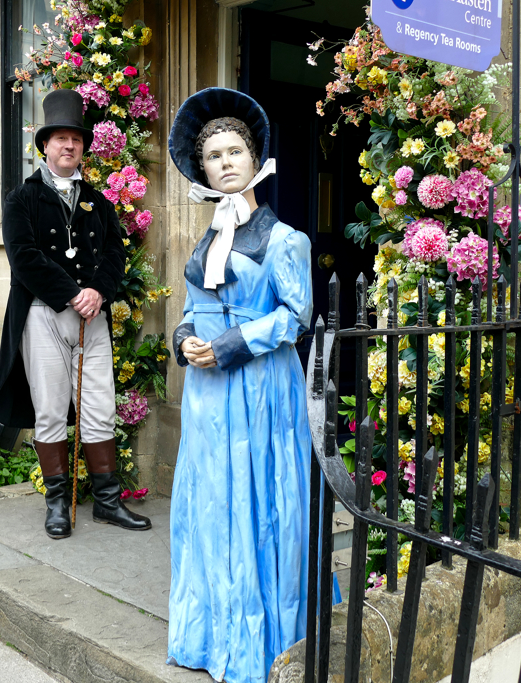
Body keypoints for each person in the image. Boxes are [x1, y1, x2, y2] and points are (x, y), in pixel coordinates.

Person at [166, 87, 314, 683]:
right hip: (206, 397)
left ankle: (260, 646)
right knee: (209, 505)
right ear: (202, 168)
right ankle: (208, 638)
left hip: (259, 392)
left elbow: (296, 316)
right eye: (214, 156)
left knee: (260, 504)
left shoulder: (285, 241)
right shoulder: (203, 242)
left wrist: (228, 346)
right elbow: (189, 309)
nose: (225, 162)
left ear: (255, 160)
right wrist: (184, 341)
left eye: (235, 152)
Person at [0, 88, 151, 539]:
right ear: (45, 145)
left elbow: (117, 255)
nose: (69, 145)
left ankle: (106, 502)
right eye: (60, 138)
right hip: (43, 315)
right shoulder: (20, 200)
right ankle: (57, 503)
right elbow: (23, 258)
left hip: (93, 318)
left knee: (100, 409)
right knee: (49, 411)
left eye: (76, 139)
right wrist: (72, 294)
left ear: (83, 147)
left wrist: (98, 291)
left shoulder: (98, 203)